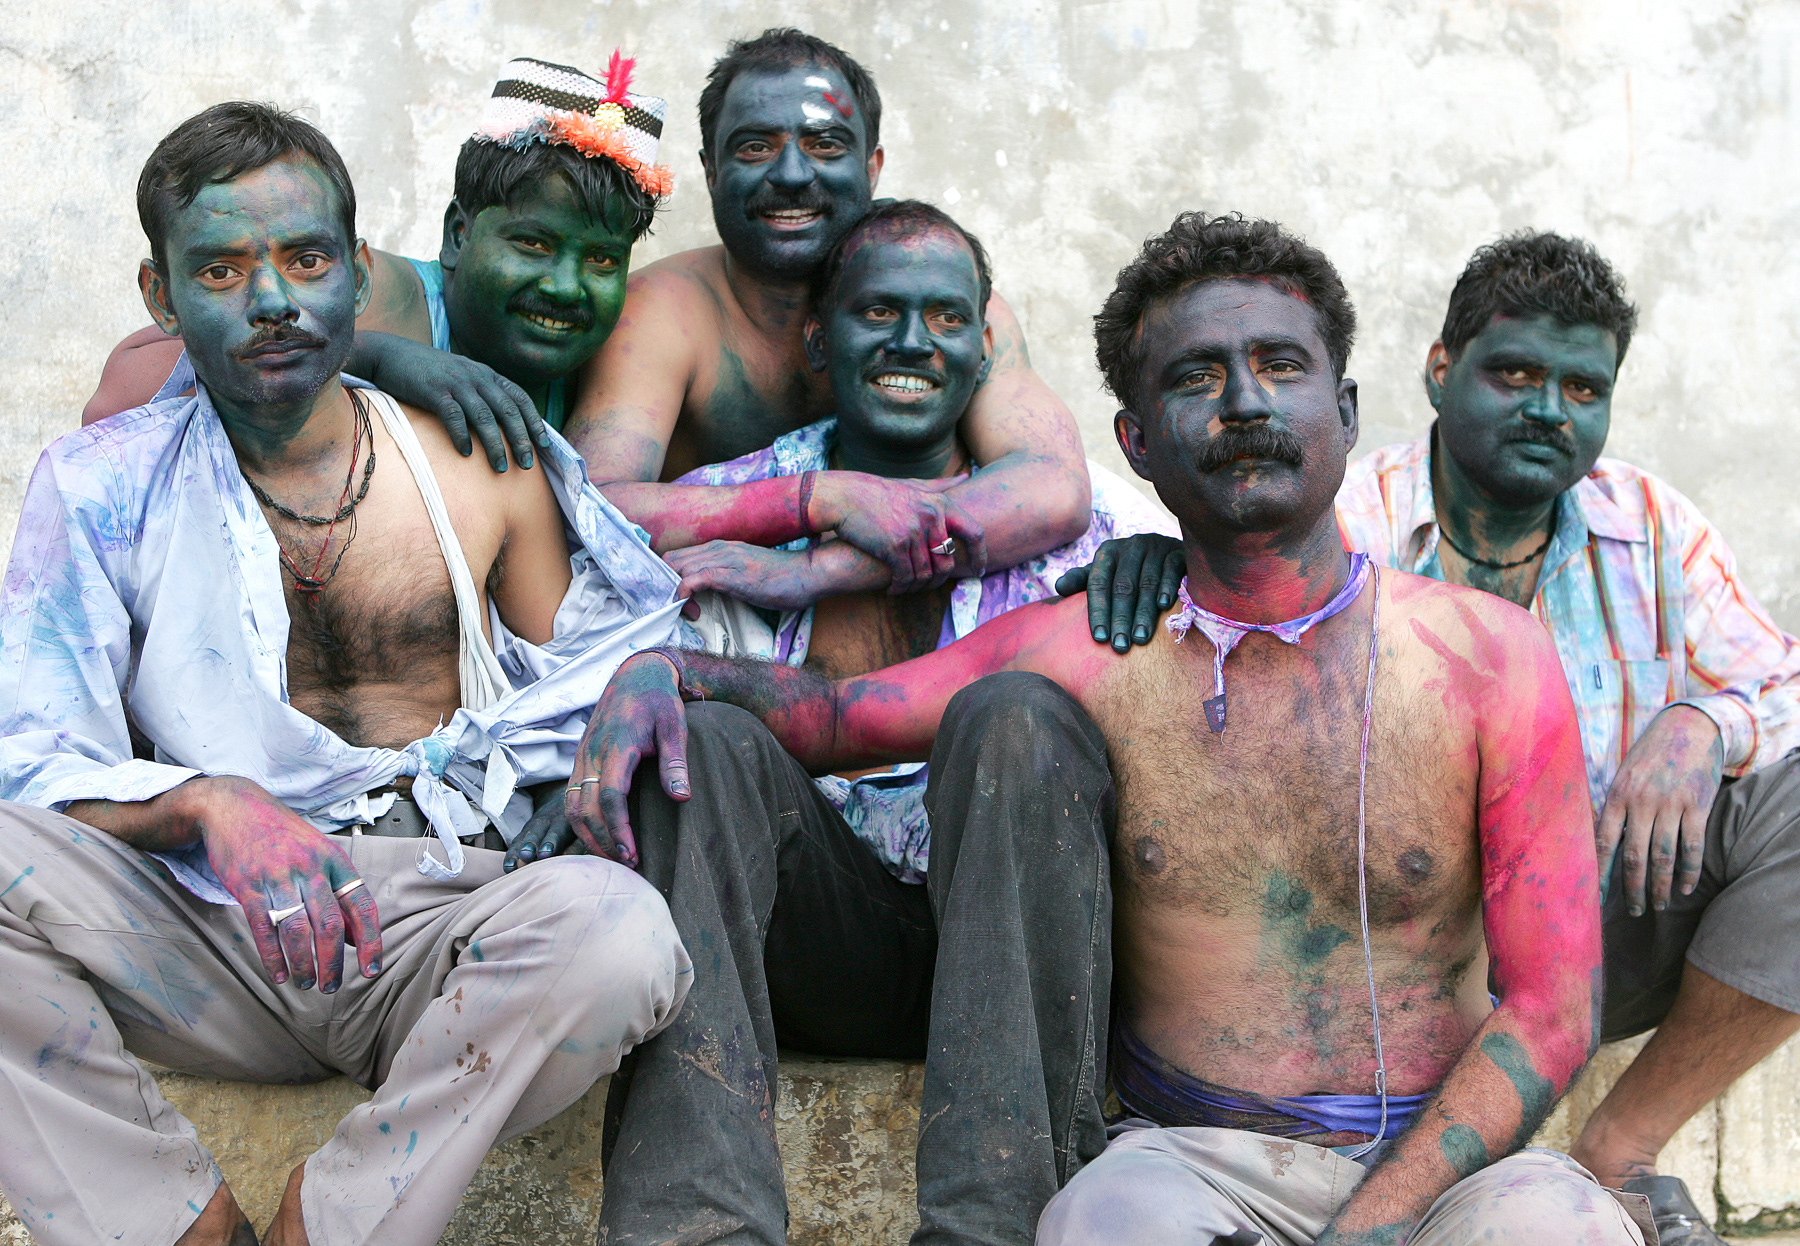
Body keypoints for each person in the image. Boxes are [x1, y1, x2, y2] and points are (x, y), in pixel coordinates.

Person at [558, 213, 1647, 1244]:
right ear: (1135, 441)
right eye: (1194, 377)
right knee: (1100, 1224)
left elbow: (1554, 1008)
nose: (1242, 402)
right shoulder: (1087, 650)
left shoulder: (1489, 658)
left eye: (1280, 364)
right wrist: (667, 667)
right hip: (1187, 1162)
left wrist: (1372, 1226)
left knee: (1571, 1227)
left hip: (1438, 1173)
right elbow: (835, 719)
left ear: (1348, 411)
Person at [0, 103, 694, 1246]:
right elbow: (34, 757)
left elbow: (604, 670)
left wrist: (662, 670)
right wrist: (208, 804)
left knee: (620, 936)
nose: (273, 299)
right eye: (222, 268)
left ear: (356, 271)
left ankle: (324, 1227)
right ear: (161, 296)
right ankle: (177, 1229)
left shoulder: (476, 465)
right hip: (210, 928)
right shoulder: (97, 486)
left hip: (439, 928)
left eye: (306, 259)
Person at [1330, 231, 1800, 1245]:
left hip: (1598, 933)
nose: (1550, 406)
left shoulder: (1650, 523)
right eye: (1514, 371)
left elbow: (1781, 679)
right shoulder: (1349, 525)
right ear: (1440, 369)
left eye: (1583, 387)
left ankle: (1621, 1145)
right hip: (1393, 955)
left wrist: (1702, 722)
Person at [504, 197, 1175, 877]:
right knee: (701, 733)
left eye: (947, 317)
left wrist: (1165, 562)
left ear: (983, 354)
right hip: (801, 905)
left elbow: (1205, 623)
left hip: (996, 908)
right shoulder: (733, 511)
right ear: (820, 342)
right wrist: (614, 760)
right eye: (880, 312)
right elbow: (596, 556)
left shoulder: (1089, 528)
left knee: (1022, 718)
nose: (914, 341)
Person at [564, 27, 1098, 600]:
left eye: (825, 145)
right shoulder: (663, 313)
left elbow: (1055, 487)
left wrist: (816, 572)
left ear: (872, 167)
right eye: (754, 146)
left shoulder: (943, 301)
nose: (793, 175)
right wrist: (817, 499)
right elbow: (587, 510)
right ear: (711, 170)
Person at [84, 53, 670, 472]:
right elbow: (129, 384)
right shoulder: (386, 295)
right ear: (458, 235)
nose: (566, 287)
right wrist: (377, 356)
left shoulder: (619, 362)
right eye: (532, 245)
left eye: (601, 259)